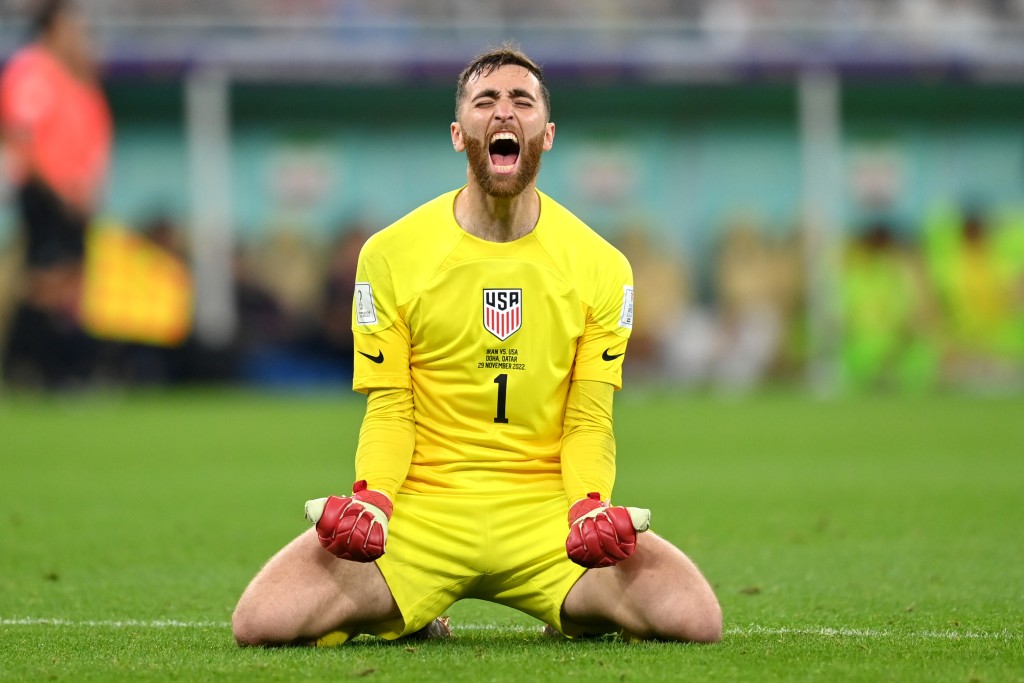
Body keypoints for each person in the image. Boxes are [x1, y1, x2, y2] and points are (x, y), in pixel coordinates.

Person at [232, 44, 722, 646]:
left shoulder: (603, 266)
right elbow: (390, 410)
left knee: (694, 619)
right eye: (485, 101)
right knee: (261, 623)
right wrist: (374, 499)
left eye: (522, 101)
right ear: (459, 134)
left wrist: (591, 505)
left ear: (548, 132)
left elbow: (589, 419)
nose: (504, 113)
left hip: (546, 513)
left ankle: (565, 607)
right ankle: (416, 609)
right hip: (422, 512)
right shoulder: (389, 255)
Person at [0, 0, 112, 388]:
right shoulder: (32, 71)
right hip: (45, 191)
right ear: (51, 27)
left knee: (71, 284)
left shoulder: (76, 76)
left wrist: (88, 188)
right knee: (46, 280)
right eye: (71, 26)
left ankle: (57, 370)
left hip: (75, 196)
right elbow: (22, 139)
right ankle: (22, 366)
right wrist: (59, 190)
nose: (79, 33)